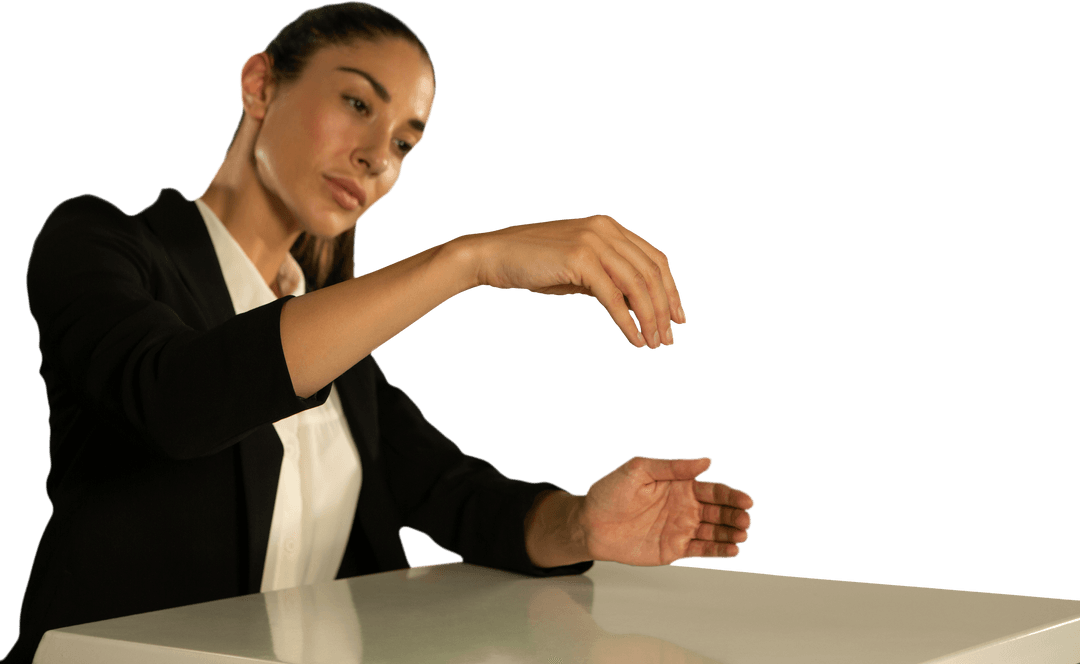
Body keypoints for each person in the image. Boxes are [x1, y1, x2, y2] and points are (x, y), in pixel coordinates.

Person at [3, 2, 754, 662]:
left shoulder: (337, 352)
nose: (376, 157)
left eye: (404, 143)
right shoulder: (98, 242)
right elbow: (177, 399)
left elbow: (459, 498)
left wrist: (583, 527)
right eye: (358, 104)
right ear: (260, 84)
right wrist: (468, 260)